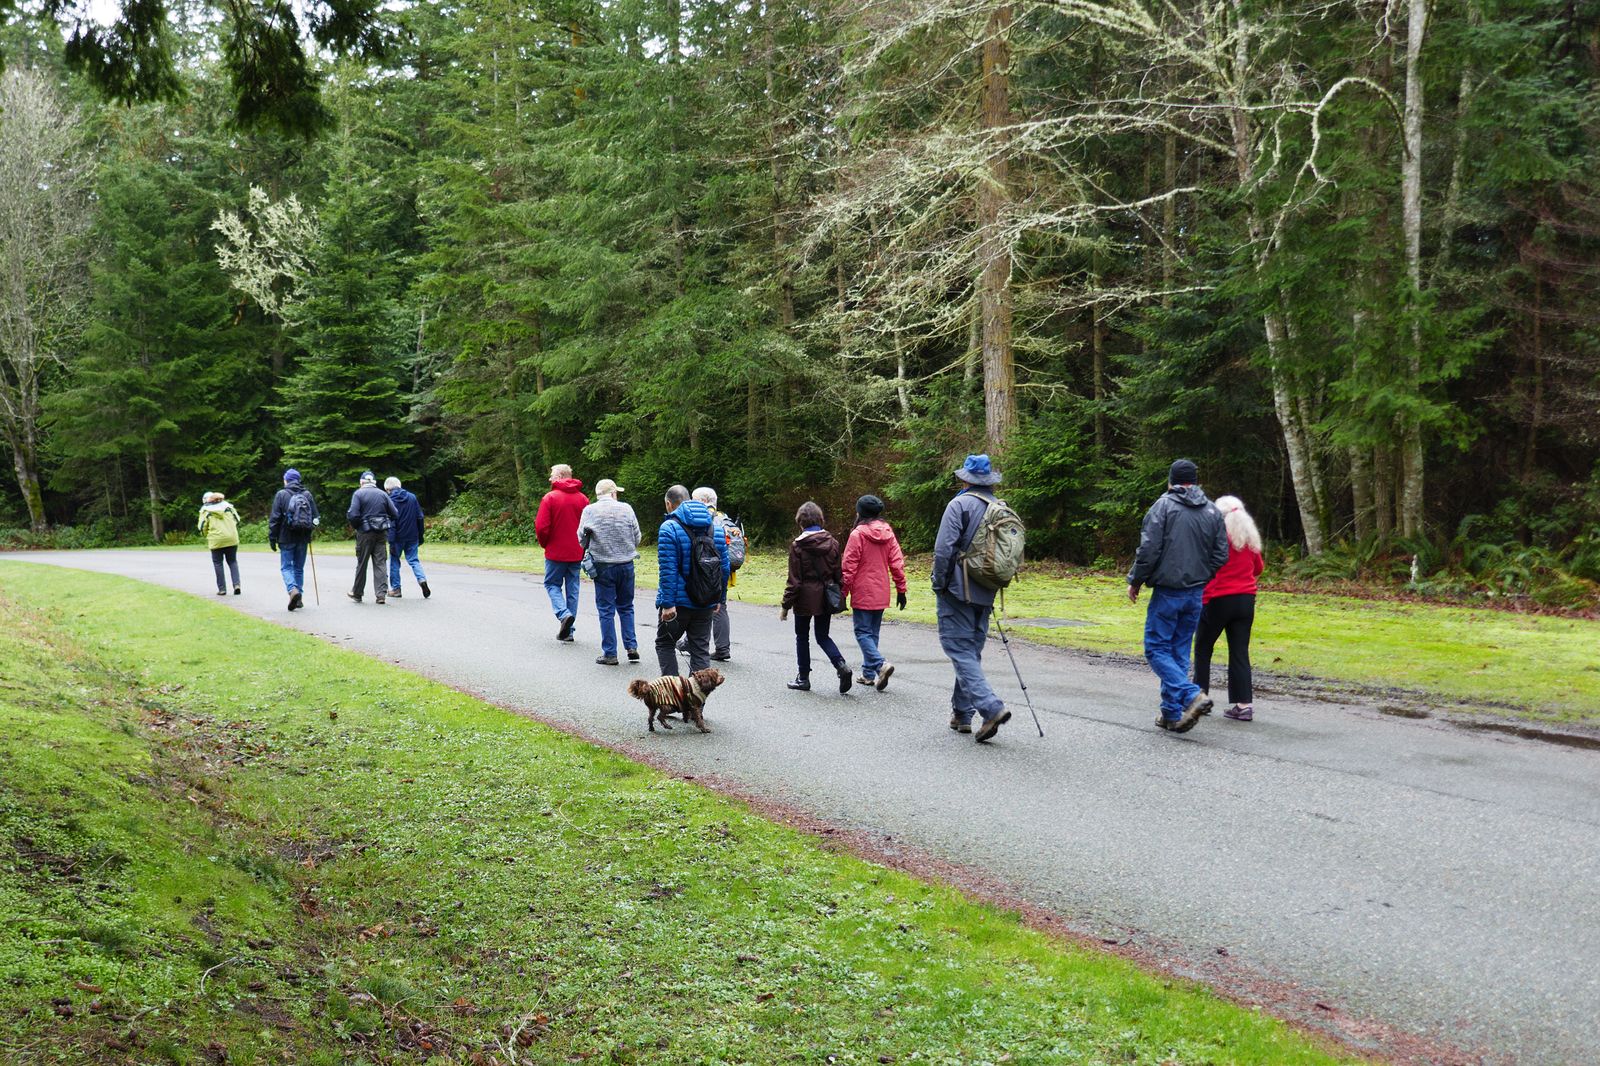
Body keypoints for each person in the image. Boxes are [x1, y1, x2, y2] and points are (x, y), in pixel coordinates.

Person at [1127, 458, 1230, 733]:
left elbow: (1148, 550)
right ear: (1195, 481)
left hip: (1168, 591)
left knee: (1156, 649)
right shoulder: (1212, 511)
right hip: (1195, 593)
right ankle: (1172, 714)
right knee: (1178, 652)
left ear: (1170, 481)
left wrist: (1135, 580)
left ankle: (1190, 695)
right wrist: (1201, 576)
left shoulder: (1164, 507)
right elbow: (1221, 555)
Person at [931, 455, 1011, 742]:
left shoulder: (959, 504)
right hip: (987, 589)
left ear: (965, 478)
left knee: (958, 648)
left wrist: (939, 584)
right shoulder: (1000, 507)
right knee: (970, 651)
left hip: (957, 589)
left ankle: (990, 708)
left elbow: (943, 550)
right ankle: (962, 714)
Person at [1193, 495, 1265, 722]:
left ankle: (1199, 699)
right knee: (1240, 651)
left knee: (1203, 648)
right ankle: (1243, 705)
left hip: (1218, 598)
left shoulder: (1215, 536)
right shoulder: (1249, 539)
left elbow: (1206, 567)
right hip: (1246, 599)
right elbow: (1258, 569)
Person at [655, 483, 729, 676]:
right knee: (700, 650)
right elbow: (724, 568)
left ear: (669, 504)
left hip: (678, 604)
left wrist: (667, 604)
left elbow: (668, 570)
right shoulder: (717, 528)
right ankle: (695, 704)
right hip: (705, 601)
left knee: (665, 643)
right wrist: (719, 599)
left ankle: (671, 696)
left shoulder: (669, 528)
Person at [780, 501, 853, 694]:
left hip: (804, 598)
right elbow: (839, 574)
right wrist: (840, 593)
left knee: (802, 637)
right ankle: (841, 665)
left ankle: (803, 678)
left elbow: (794, 581)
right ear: (820, 520)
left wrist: (785, 606)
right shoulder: (833, 543)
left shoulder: (797, 546)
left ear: (800, 522)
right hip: (826, 596)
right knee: (823, 635)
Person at [841, 494, 908, 691]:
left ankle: (880, 665)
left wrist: (843, 592)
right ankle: (868, 674)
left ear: (859, 512)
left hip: (863, 590)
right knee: (873, 632)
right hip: (881, 589)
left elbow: (849, 566)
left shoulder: (857, 534)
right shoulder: (888, 532)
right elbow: (897, 563)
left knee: (862, 632)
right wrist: (901, 589)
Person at [578, 477, 642, 666]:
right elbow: (637, 536)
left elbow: (581, 539)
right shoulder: (627, 508)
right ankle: (631, 647)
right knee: (626, 606)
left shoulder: (589, 511)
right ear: (613, 493)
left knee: (606, 610)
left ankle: (610, 653)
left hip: (603, 565)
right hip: (626, 564)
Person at [535, 463, 588, 641]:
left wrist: (545, 544)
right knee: (573, 589)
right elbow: (588, 527)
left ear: (559, 477)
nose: (550, 478)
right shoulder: (583, 499)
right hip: (576, 552)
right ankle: (569, 631)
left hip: (556, 552)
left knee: (551, 584)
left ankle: (563, 614)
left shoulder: (550, 498)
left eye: (552, 475)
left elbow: (541, 527)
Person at [684, 486, 734, 662]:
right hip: (723, 567)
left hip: (706, 568)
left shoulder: (704, 518)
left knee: (706, 603)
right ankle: (721, 647)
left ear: (703, 501)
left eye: (693, 499)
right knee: (720, 604)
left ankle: (711, 646)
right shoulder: (723, 517)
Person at [268, 468, 320, 611]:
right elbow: (316, 518)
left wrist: (272, 538)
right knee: (298, 568)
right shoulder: (307, 494)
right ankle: (299, 598)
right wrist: (309, 530)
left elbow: (275, 519)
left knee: (286, 567)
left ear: (286, 480)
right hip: (303, 538)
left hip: (285, 537)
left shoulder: (281, 495)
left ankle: (292, 590)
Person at [346, 470, 398, 604]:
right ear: (374, 482)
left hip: (365, 533)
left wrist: (358, 526)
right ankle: (381, 595)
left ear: (361, 482)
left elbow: (353, 515)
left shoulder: (358, 494)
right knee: (380, 562)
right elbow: (395, 513)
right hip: (381, 533)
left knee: (362, 563)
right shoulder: (382, 494)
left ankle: (357, 593)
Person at [385, 476, 430, 599]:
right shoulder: (412, 497)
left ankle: (396, 589)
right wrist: (420, 536)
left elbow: (392, 522)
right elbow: (420, 517)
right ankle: (422, 580)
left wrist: (391, 540)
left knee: (394, 562)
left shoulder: (389, 500)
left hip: (397, 537)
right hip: (412, 536)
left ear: (388, 489)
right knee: (414, 560)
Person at [197, 491, 242, 596]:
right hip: (231, 538)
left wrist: (206, 534)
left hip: (216, 540)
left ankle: (222, 589)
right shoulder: (229, 507)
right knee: (232, 562)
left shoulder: (205, 511)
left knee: (218, 563)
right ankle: (237, 585)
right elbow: (238, 520)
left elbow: (201, 527)